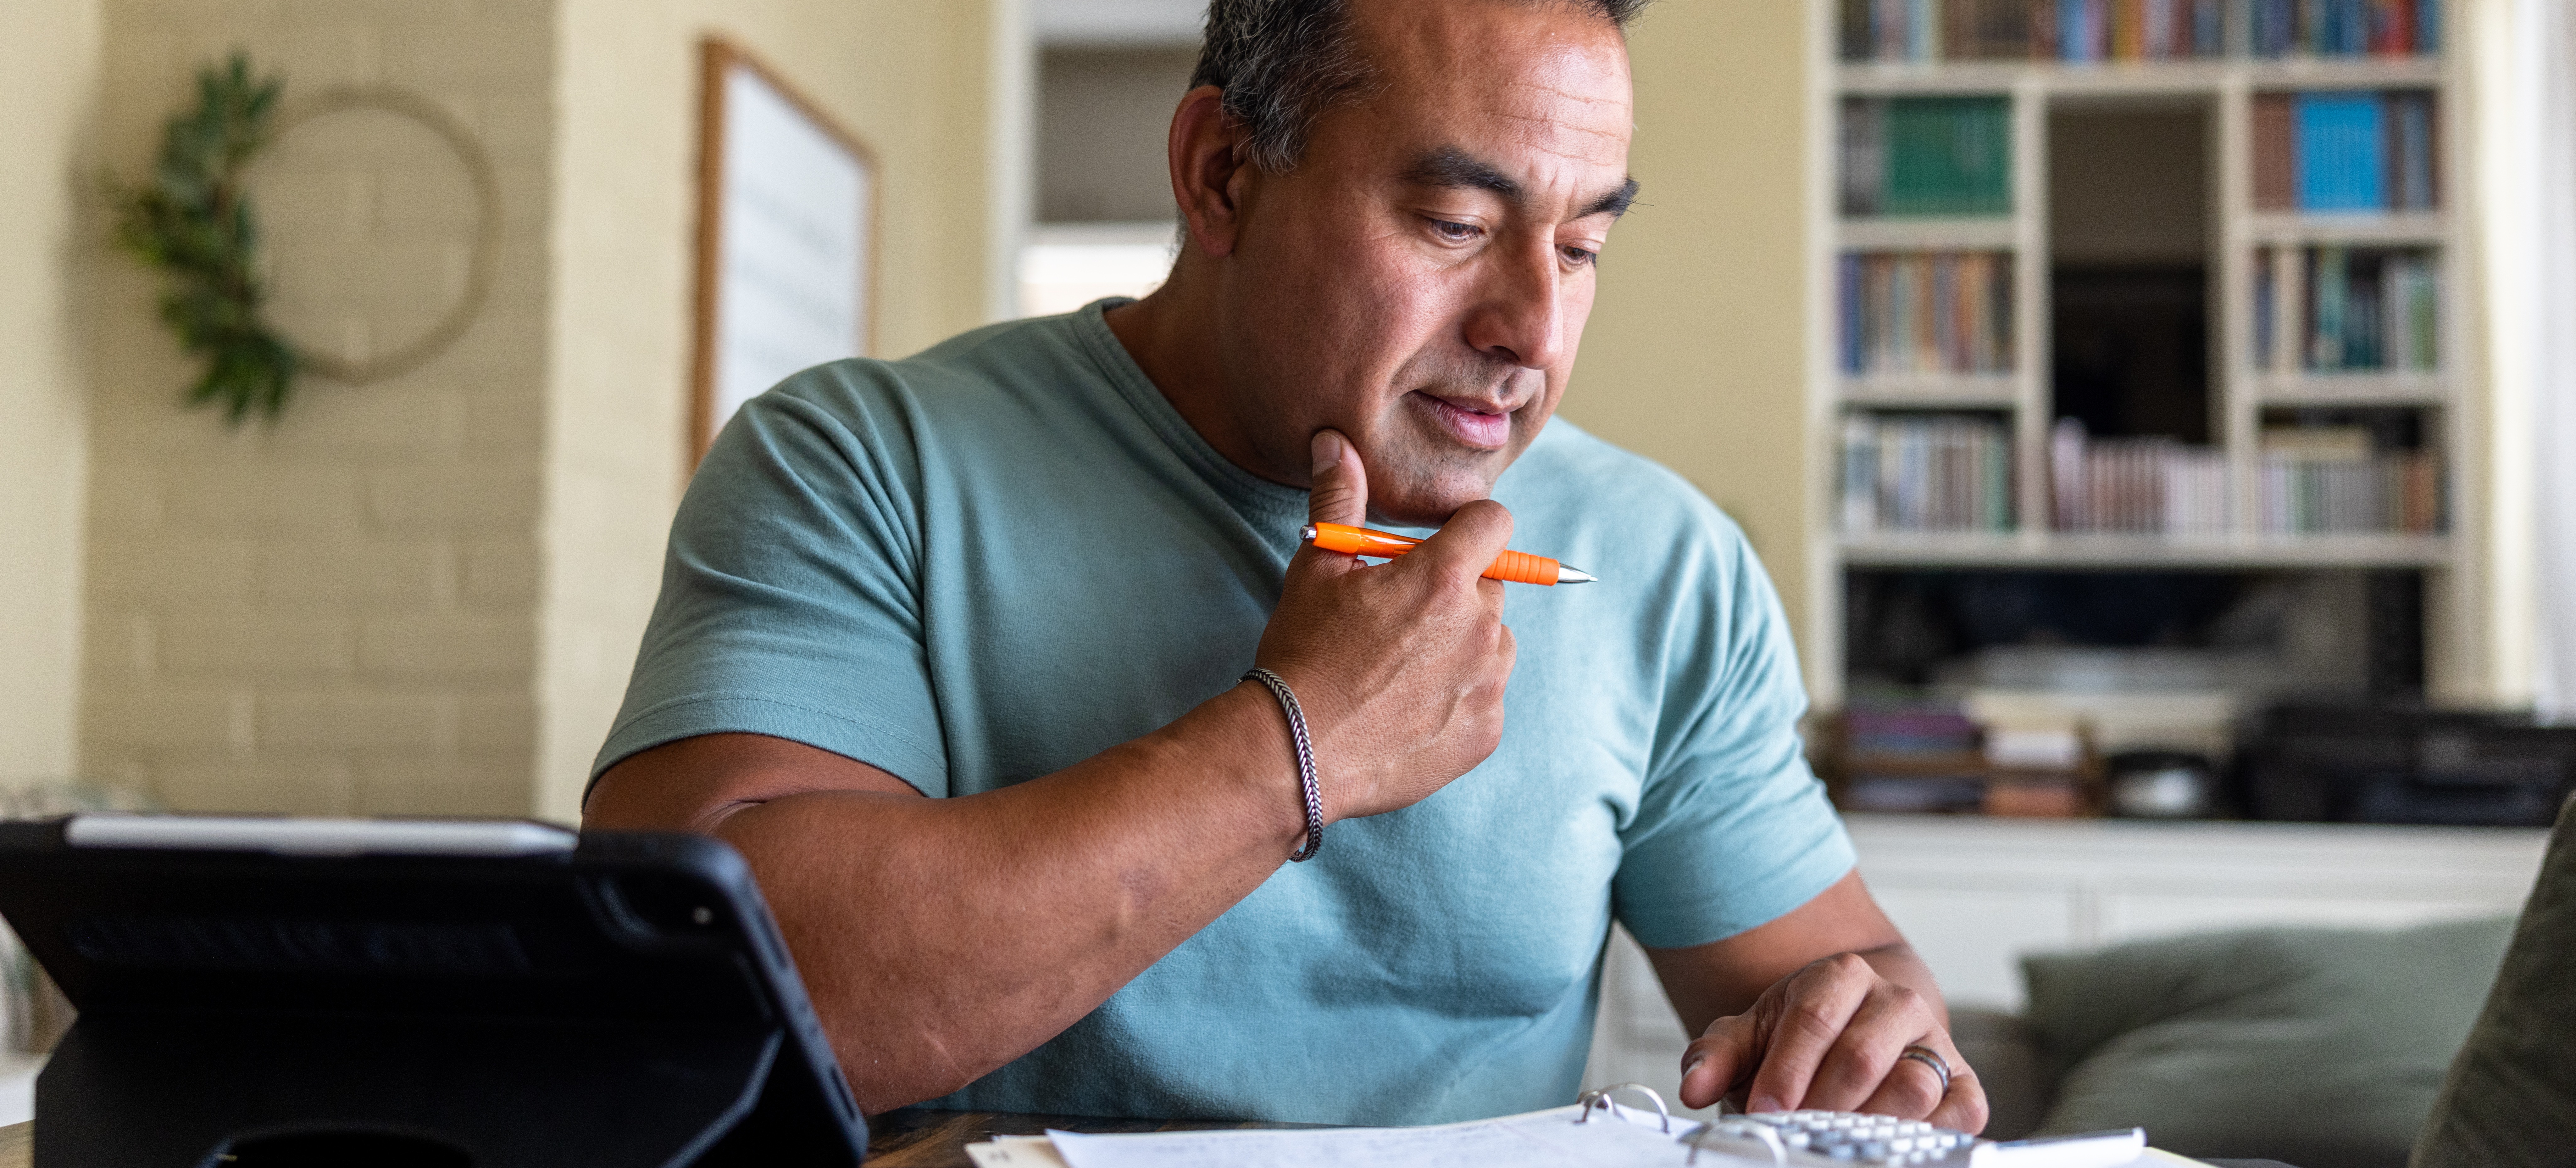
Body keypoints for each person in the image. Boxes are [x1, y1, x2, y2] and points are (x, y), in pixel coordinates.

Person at [585, 0, 1988, 1132]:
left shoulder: (1666, 563)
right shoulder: (858, 461)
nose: (1530, 326)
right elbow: (706, 1007)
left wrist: (1868, 1039)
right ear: (1220, 173)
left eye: (1581, 243)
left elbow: (1835, 978)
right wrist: (1294, 746)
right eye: (1453, 225)